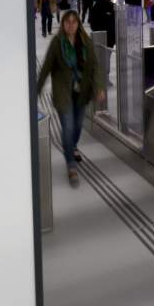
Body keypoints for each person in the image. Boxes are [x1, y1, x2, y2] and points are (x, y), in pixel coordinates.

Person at [36, 10, 105, 186]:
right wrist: (37, 90)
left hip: (81, 92)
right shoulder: (57, 43)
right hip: (63, 92)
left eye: (74, 22)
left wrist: (98, 87)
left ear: (78, 24)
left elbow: (95, 66)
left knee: (77, 125)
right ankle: (71, 165)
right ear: (63, 24)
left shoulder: (86, 42)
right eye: (68, 22)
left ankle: (72, 146)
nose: (71, 25)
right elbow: (46, 68)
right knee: (67, 126)